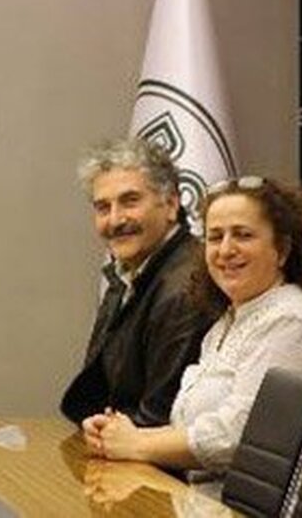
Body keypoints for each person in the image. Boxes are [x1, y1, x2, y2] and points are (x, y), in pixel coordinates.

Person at [83, 177, 302, 473]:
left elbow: (239, 437)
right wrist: (116, 434)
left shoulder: (292, 321)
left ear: (282, 249)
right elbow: (191, 428)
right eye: (215, 237)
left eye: (243, 235)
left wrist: (136, 444)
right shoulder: (226, 323)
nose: (226, 250)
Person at [61, 139, 210, 427]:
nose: (115, 220)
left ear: (171, 204)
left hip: (149, 450)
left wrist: (105, 431)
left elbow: (159, 417)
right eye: (103, 207)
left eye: (130, 201)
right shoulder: (128, 271)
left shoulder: (188, 287)